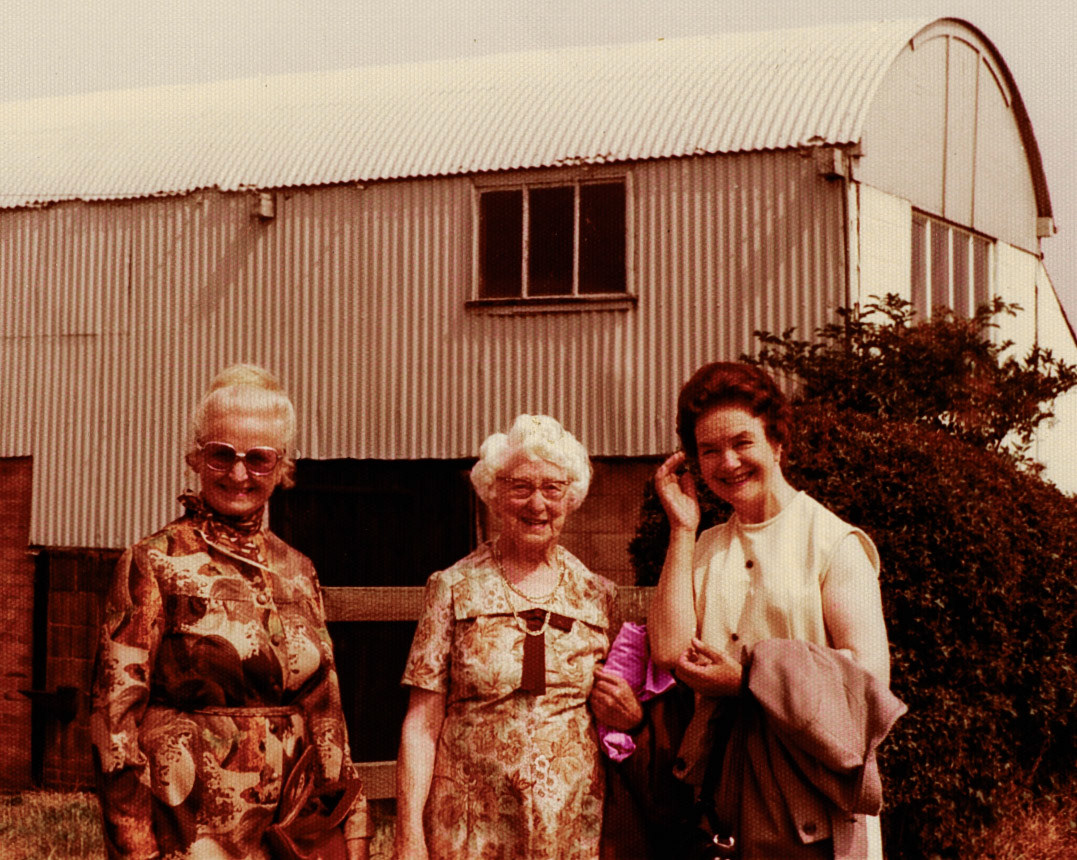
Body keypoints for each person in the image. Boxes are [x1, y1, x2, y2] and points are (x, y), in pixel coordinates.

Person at [90, 364, 372, 860]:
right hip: (186, 821)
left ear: (281, 468)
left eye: (258, 459)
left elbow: (327, 712)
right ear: (196, 457)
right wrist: (134, 845)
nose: (238, 475)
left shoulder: (298, 570)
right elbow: (114, 719)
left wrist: (349, 828)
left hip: (287, 823)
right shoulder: (154, 561)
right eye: (222, 455)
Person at [648, 361, 894, 859]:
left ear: (777, 442)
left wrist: (744, 682)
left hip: (815, 802)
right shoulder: (704, 546)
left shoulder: (833, 543)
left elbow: (869, 682)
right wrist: (681, 529)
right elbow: (670, 649)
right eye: (709, 451)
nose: (728, 462)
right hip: (724, 800)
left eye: (742, 442)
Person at [394, 414, 616, 860]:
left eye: (552, 488)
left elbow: (613, 713)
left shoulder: (596, 594)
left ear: (570, 498)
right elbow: (421, 724)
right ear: (495, 497)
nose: (538, 503)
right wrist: (409, 834)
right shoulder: (453, 586)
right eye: (520, 487)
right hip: (470, 826)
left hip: (568, 825)